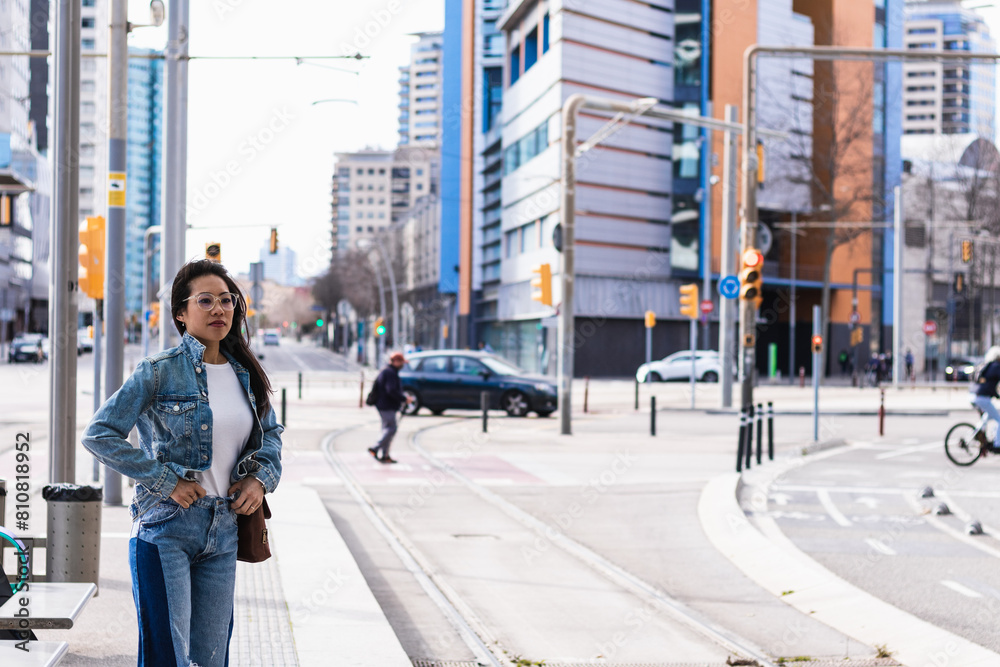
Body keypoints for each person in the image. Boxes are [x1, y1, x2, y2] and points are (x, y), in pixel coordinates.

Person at [82, 259, 283, 667]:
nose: (218, 310)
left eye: (226, 301)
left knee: (212, 659)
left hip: (224, 530)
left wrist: (259, 480)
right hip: (165, 529)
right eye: (205, 301)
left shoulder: (246, 373)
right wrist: (165, 480)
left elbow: (271, 437)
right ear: (181, 312)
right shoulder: (159, 372)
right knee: (166, 659)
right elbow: (99, 434)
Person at [368, 351, 412, 464]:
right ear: (396, 362)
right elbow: (391, 390)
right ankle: (375, 448)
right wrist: (404, 398)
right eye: (402, 362)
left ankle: (385, 455)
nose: (403, 365)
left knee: (387, 429)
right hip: (386, 405)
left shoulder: (389, 371)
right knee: (391, 428)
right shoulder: (390, 373)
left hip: (385, 404)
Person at [972, 346, 1000, 453]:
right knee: (999, 419)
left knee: (987, 417)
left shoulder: (988, 365)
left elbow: (989, 384)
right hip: (983, 397)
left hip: (977, 395)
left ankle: (976, 433)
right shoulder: (997, 366)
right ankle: (998, 445)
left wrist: (997, 395)